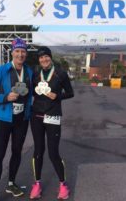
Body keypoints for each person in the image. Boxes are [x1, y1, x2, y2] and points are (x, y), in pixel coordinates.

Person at [0, 38, 33, 201]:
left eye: (23, 51)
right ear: (12, 53)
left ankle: (11, 183)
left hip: (22, 120)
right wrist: (5, 97)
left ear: (26, 54)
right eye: (17, 51)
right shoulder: (0, 71)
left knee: (17, 152)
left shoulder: (29, 71)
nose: (20, 54)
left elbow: (32, 93)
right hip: (4, 119)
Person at [29, 46, 74, 200]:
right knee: (38, 151)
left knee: (53, 152)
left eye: (46, 56)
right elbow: (29, 90)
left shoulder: (60, 73)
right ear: (38, 60)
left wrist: (58, 96)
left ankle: (63, 185)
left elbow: (70, 93)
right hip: (36, 116)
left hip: (53, 116)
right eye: (41, 57)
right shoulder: (35, 72)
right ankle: (37, 184)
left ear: (50, 57)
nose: (44, 60)